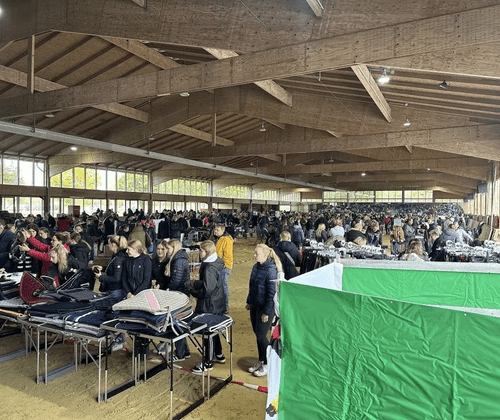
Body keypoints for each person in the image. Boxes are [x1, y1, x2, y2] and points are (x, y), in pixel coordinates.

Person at [187, 240, 226, 374]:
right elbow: (207, 283)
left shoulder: (209, 268)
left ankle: (207, 362)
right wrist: (195, 283)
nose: (199, 252)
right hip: (216, 302)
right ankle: (219, 354)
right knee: (213, 330)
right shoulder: (214, 263)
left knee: (207, 332)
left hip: (209, 304)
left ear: (207, 252)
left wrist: (194, 292)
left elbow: (207, 290)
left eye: (201, 250)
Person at [246, 244, 282, 377]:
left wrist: (266, 312)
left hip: (265, 308)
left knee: (261, 336)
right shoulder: (256, 266)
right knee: (257, 334)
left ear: (266, 255)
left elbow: (271, 294)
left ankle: (268, 363)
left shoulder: (271, 270)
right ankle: (261, 360)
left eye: (257, 253)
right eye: (255, 253)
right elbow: (252, 286)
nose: (254, 255)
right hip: (255, 306)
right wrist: (249, 302)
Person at [94, 235, 128, 300]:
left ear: (113, 245)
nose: (108, 245)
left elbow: (116, 278)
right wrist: (103, 268)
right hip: (114, 289)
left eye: (109, 244)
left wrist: (101, 277)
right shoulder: (115, 256)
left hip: (115, 290)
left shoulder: (118, 259)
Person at [213, 224, 233, 312]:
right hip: (219, 266)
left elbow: (227, 254)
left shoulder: (226, 240)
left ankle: (225, 306)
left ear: (223, 231)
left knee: (223, 286)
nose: (215, 231)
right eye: (215, 229)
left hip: (224, 267)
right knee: (219, 286)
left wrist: (223, 264)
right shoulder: (219, 239)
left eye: (217, 230)